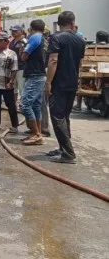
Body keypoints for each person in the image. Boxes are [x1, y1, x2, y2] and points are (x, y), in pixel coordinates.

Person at [45, 11, 85, 164]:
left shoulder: (56, 38)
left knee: (57, 116)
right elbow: (80, 64)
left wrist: (48, 83)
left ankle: (68, 153)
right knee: (65, 116)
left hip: (59, 84)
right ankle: (63, 148)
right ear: (72, 23)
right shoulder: (80, 40)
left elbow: (53, 61)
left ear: (59, 23)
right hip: (72, 83)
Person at [20, 20, 48, 145]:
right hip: (40, 74)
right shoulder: (44, 38)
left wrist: (22, 50)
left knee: (25, 104)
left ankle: (36, 134)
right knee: (36, 105)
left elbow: (25, 56)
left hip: (35, 75)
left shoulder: (35, 37)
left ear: (31, 28)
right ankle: (37, 133)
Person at [10, 25, 28, 105]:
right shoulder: (12, 42)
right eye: (12, 31)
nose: (13, 32)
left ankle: (24, 105)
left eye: (15, 31)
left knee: (22, 88)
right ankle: (14, 104)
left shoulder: (24, 41)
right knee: (13, 88)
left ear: (21, 31)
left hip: (21, 67)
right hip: (13, 68)